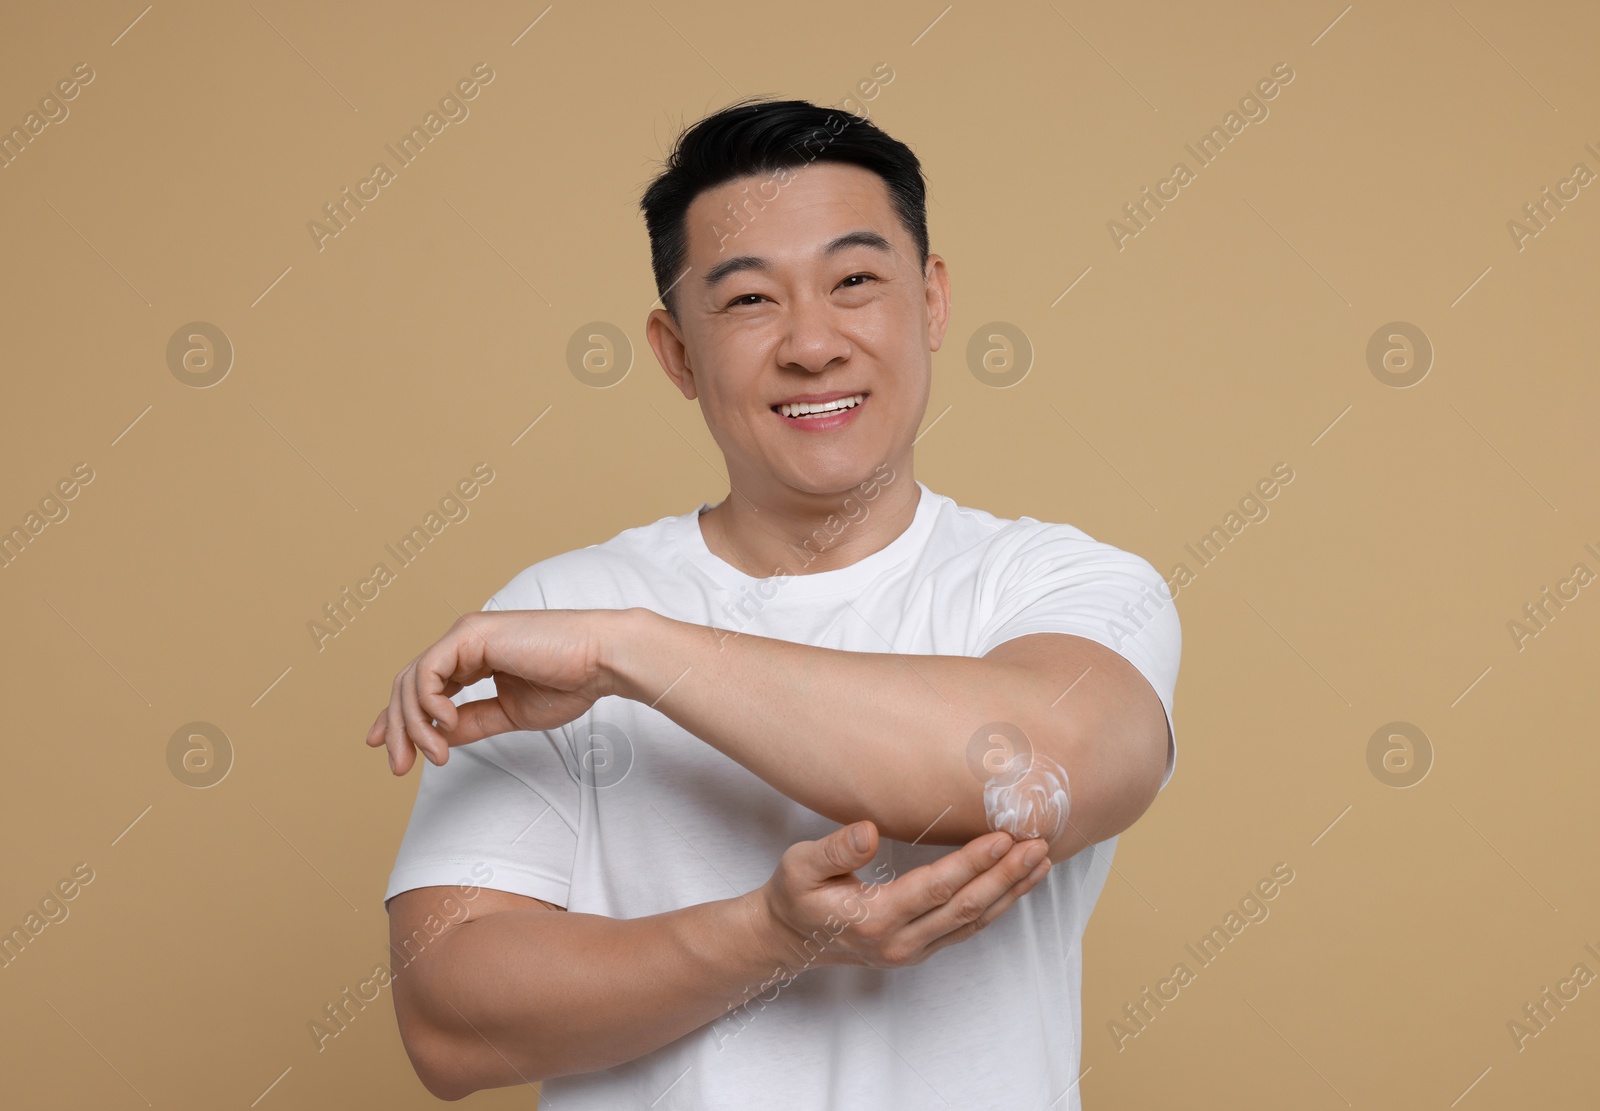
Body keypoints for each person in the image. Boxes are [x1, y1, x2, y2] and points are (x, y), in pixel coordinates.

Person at [369, 97, 1181, 1109]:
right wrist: (765, 936)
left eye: (854, 282)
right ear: (676, 354)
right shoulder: (558, 606)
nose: (811, 343)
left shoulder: (1059, 584)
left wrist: (639, 654)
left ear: (930, 301)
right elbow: (447, 1021)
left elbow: (1039, 765)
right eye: (749, 301)